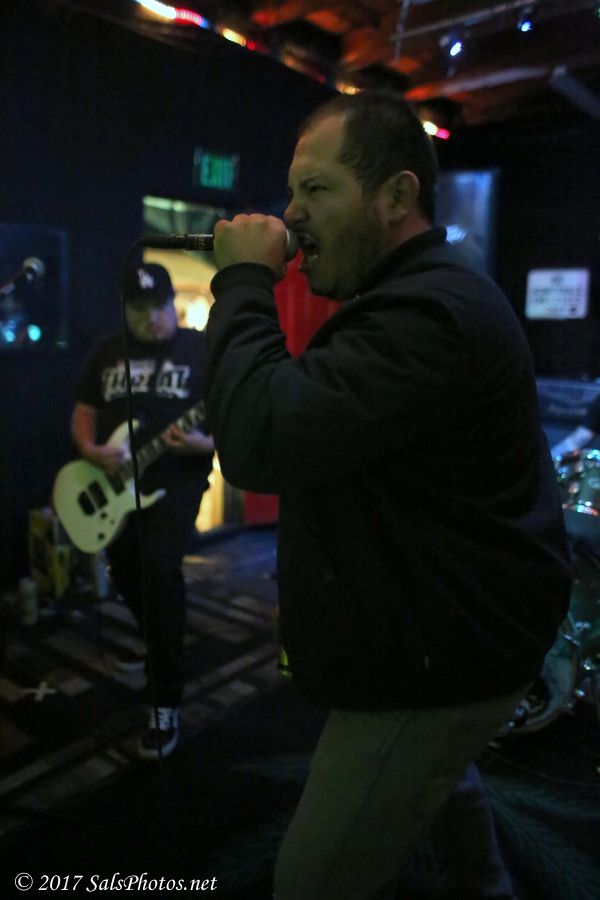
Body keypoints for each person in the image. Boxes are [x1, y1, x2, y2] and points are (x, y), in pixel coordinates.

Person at [204, 91, 571, 900]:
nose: (291, 214)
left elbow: (261, 439)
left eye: (316, 189)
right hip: (449, 631)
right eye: (292, 191)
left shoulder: (429, 314)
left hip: (439, 660)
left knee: (309, 881)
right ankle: (484, 883)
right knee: (440, 779)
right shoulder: (423, 296)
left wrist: (242, 282)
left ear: (396, 196)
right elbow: (376, 478)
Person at [71, 262, 214, 760]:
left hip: (175, 480)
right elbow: (84, 410)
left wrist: (202, 445)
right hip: (116, 485)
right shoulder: (107, 351)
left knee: (157, 567)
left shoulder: (201, 348)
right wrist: (90, 450)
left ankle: (164, 700)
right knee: (127, 570)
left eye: (158, 307)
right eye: (139, 309)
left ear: (172, 303)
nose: (151, 318)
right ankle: (158, 642)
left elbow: (231, 413)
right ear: (125, 310)